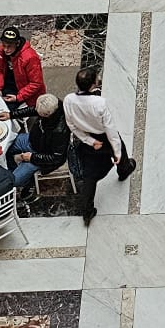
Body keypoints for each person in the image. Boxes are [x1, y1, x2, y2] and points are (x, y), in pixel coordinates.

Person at [64, 63, 134, 226]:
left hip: (87, 139)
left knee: (90, 176)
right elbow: (111, 131)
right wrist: (116, 151)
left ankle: (87, 212)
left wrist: (89, 141)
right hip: (103, 136)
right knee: (121, 151)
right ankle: (124, 170)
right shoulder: (99, 103)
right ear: (93, 84)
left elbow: (72, 125)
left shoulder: (68, 100)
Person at [17, 93, 71, 181]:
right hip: (34, 141)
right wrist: (11, 115)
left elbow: (56, 158)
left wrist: (32, 157)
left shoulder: (60, 132)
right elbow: (33, 110)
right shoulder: (52, 106)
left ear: (47, 115)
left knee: (16, 180)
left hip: (43, 157)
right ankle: (13, 167)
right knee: (10, 145)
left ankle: (29, 184)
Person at [0, 25, 45, 114]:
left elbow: (36, 83)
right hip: (7, 83)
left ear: (17, 44)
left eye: (9, 46)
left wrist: (18, 97)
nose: (5, 49)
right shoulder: (2, 49)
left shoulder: (30, 58)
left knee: (1, 111)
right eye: (4, 45)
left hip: (22, 89)